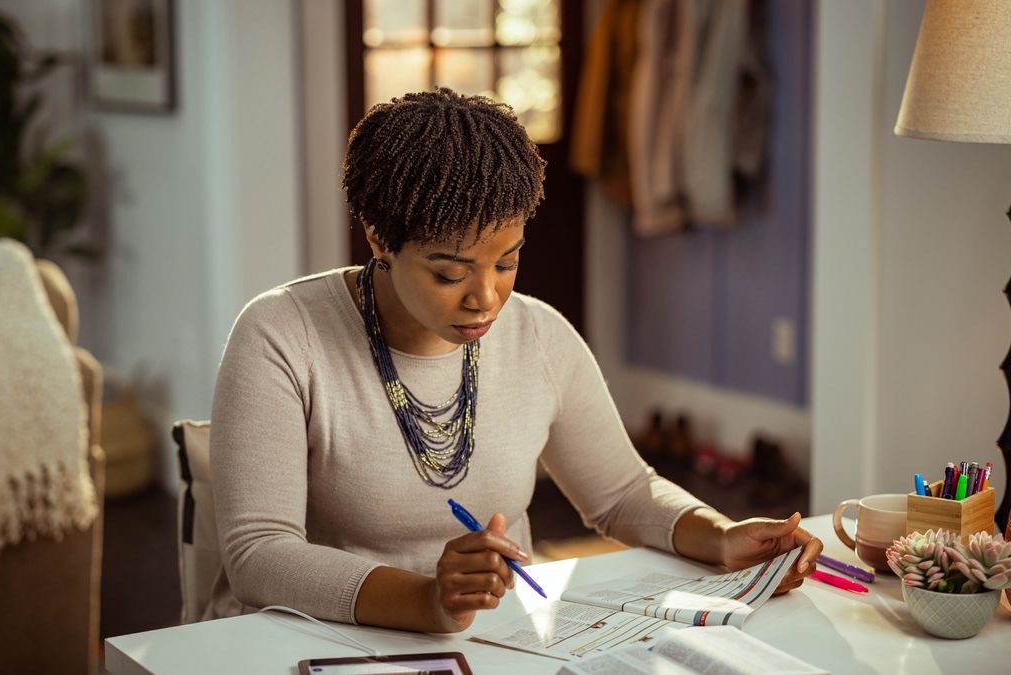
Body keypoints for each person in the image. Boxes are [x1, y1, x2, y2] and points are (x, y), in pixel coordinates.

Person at [208, 88, 822, 632]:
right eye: (450, 273)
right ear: (378, 238)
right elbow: (259, 553)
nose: (486, 297)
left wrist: (720, 537)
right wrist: (427, 601)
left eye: (506, 262)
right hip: (313, 641)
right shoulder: (281, 335)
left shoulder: (538, 334)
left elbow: (623, 493)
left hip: (495, 640)